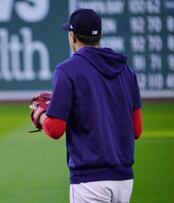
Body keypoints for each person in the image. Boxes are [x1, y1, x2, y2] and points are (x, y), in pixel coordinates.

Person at [30, 9, 142, 203]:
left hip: (89, 180)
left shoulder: (67, 70)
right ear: (101, 35)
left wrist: (40, 115)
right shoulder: (126, 70)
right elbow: (137, 130)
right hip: (124, 179)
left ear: (72, 36)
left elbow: (55, 129)